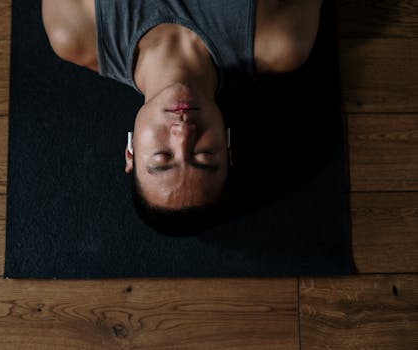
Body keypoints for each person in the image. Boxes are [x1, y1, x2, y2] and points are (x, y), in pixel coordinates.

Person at [42, 0, 323, 234]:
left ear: (131, 152)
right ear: (227, 150)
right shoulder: (279, 40)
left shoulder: (76, 32)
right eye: (203, 154)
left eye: (163, 156)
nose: (183, 132)